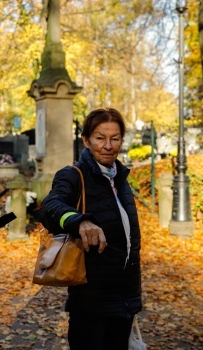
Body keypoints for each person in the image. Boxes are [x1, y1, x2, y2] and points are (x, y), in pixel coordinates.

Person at [40, 108, 142, 350]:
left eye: (115, 138)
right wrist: (79, 221)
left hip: (125, 298)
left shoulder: (120, 178)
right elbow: (49, 207)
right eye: (100, 138)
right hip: (92, 302)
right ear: (86, 140)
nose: (108, 145)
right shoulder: (73, 175)